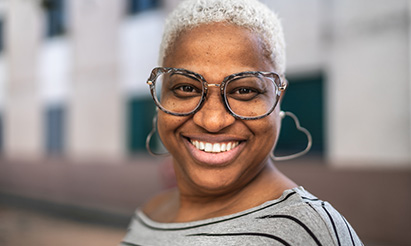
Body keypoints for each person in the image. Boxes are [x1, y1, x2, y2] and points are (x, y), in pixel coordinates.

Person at [121, 0, 363, 245]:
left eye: (245, 90)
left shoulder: (309, 232)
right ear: (162, 93)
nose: (213, 121)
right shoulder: (151, 213)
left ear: (279, 97)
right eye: (186, 88)